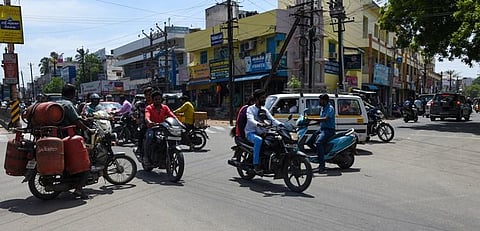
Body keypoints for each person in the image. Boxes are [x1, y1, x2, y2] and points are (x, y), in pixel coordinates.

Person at [56, 84, 95, 199]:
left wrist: (84, 120)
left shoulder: (57, 103)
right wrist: (87, 129)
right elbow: (76, 121)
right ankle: (78, 189)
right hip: (69, 137)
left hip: (57, 137)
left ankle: (68, 180)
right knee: (85, 162)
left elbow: (77, 118)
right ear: (72, 93)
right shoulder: (68, 104)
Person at [244, 89, 281, 174]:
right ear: (256, 99)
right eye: (262, 98)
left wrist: (282, 125)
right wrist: (258, 124)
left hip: (263, 133)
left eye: (264, 98)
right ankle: (256, 165)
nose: (264, 100)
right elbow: (250, 120)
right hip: (251, 133)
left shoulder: (264, 109)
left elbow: (272, 119)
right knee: (258, 140)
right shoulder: (250, 109)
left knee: (276, 139)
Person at [143, 91, 177, 166]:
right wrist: (149, 122)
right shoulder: (149, 108)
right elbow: (147, 116)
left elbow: (172, 115)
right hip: (152, 128)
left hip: (163, 128)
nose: (157, 101)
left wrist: (178, 122)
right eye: (156, 99)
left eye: (159, 99)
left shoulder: (165, 107)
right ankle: (146, 157)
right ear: (153, 100)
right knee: (149, 137)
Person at [311, 94, 336, 174]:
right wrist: (308, 123)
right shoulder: (322, 108)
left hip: (328, 130)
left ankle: (322, 166)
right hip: (322, 129)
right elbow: (320, 121)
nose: (319, 101)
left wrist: (312, 118)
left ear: (325, 101)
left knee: (319, 143)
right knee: (309, 141)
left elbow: (325, 119)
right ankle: (320, 155)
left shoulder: (330, 108)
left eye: (320, 100)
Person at [134, 87, 153, 156]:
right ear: (145, 96)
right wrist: (137, 117)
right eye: (147, 95)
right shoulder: (140, 104)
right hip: (145, 125)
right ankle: (140, 149)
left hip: (158, 124)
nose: (149, 96)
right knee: (141, 133)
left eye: (151, 94)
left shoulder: (158, 103)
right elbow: (134, 112)